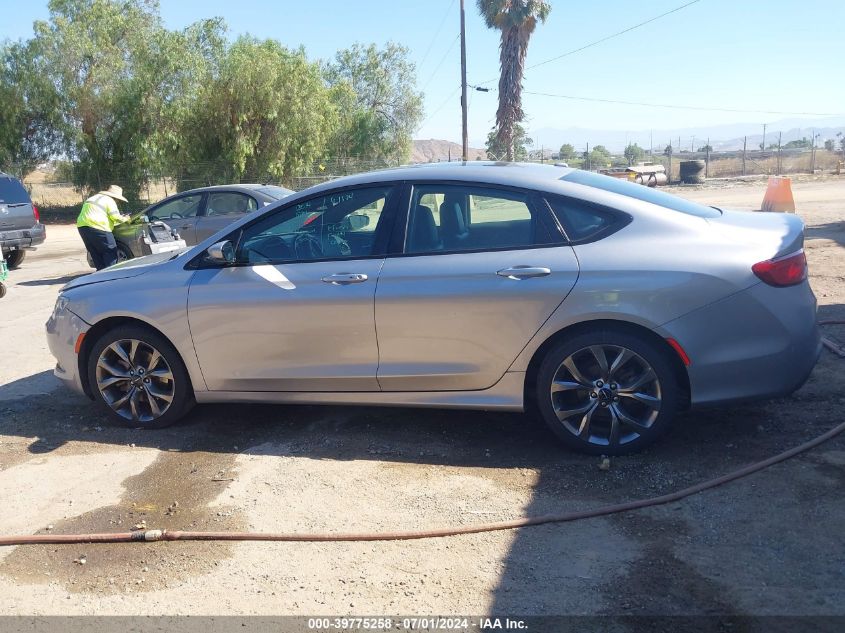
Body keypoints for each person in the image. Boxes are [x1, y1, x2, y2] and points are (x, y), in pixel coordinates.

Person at [77, 185, 131, 270]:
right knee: (110, 252)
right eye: (118, 200)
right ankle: (111, 274)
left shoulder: (92, 198)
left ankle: (101, 275)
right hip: (99, 228)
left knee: (95, 253)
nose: (117, 202)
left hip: (83, 228)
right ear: (115, 197)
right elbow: (115, 217)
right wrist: (126, 219)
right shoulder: (109, 200)